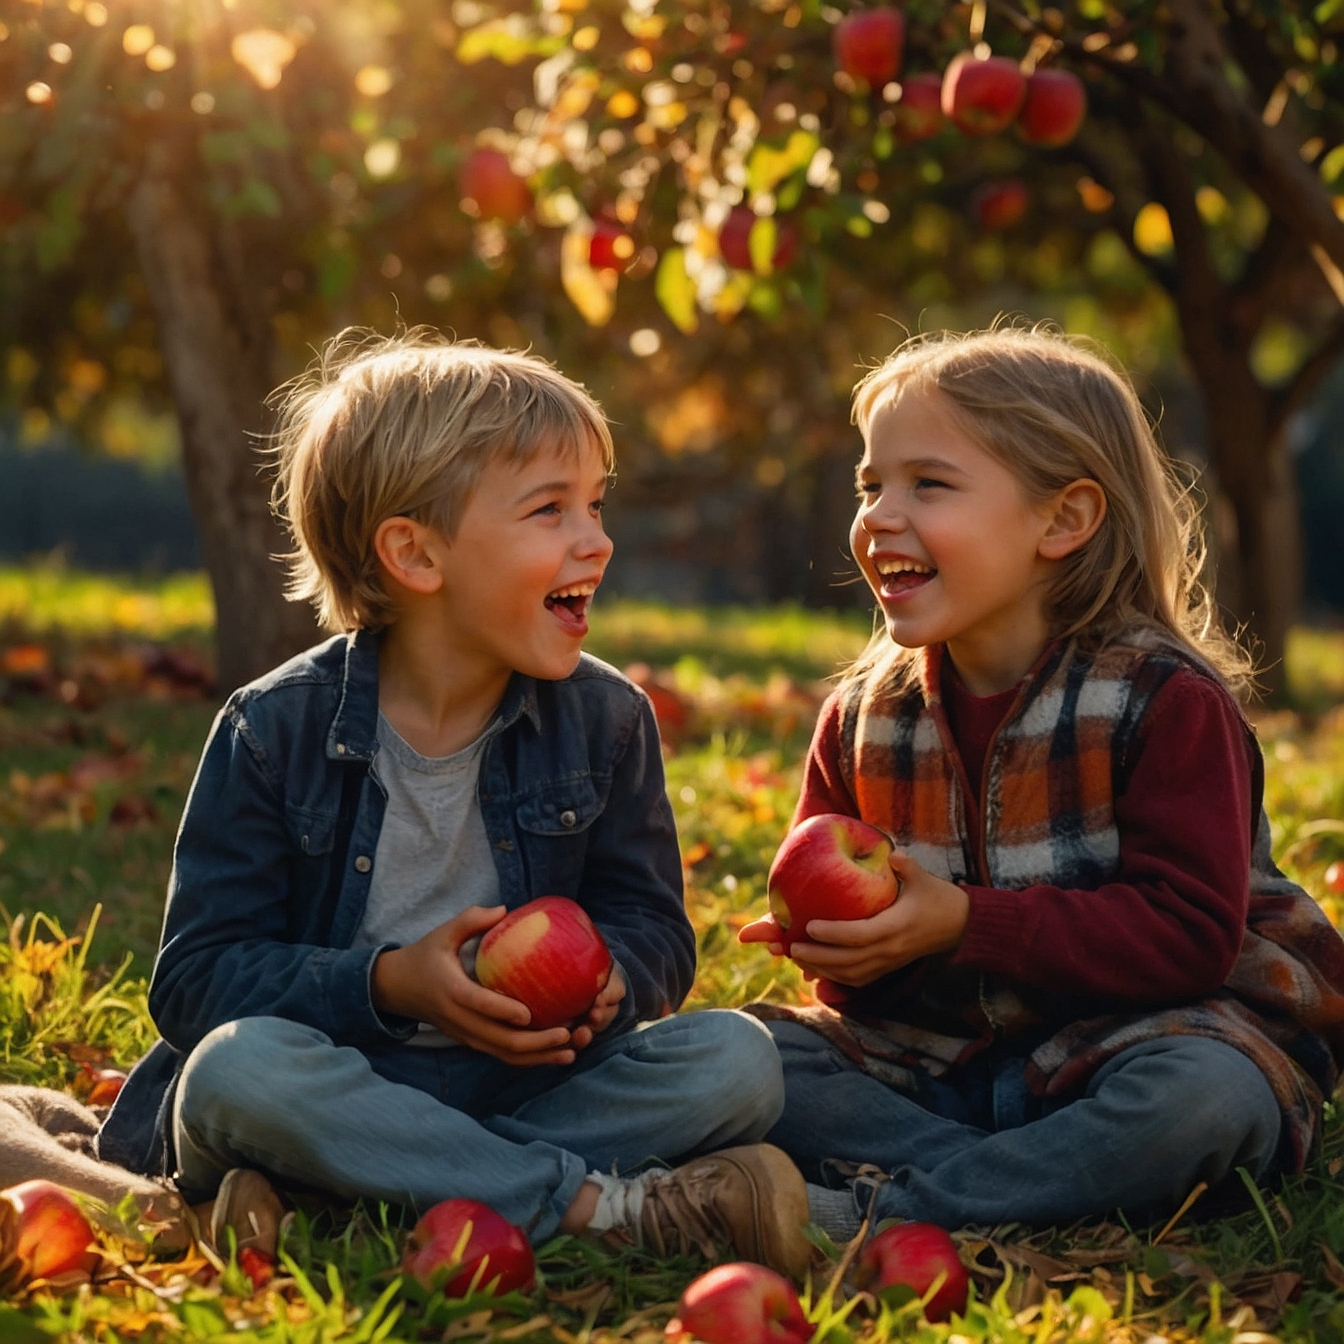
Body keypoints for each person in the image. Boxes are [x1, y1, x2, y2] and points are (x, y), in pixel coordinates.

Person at [97, 329, 810, 1277]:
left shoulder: (608, 721)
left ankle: (346, 1186)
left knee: (739, 1061)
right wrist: (389, 985)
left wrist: (615, 985)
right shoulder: (274, 729)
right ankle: (601, 1208)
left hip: (522, 1086)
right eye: (550, 510)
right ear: (415, 555)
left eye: (595, 504)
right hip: (340, 1073)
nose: (596, 539)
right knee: (235, 1072)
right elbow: (196, 981)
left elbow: (652, 926)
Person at [740, 325, 1344, 1240]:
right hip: (934, 1066)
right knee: (734, 1055)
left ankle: (889, 1211)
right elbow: (859, 990)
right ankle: (1047, 1176)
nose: (876, 516)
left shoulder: (1161, 702)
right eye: (871, 486)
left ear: (1062, 521)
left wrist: (966, 921)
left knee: (1203, 1103)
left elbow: (1187, 939)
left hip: (1141, 1044)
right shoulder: (865, 718)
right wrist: (840, 951)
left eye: (928, 484)